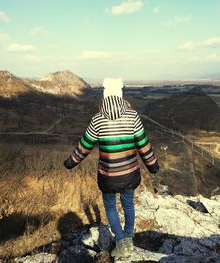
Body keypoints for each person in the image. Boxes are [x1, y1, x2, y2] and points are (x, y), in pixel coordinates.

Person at [63, 78, 159, 258]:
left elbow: (84, 146)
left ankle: (121, 243)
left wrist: (71, 162)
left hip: (108, 177)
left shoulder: (98, 120)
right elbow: (143, 145)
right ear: (121, 96)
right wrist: (153, 165)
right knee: (129, 205)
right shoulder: (133, 116)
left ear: (105, 97)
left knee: (110, 207)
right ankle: (129, 240)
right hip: (130, 175)